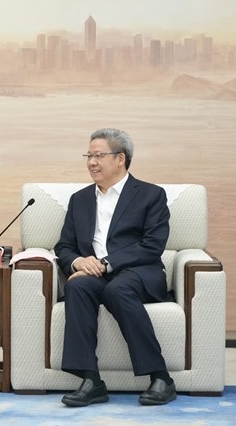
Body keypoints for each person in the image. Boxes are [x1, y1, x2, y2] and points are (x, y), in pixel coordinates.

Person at [55, 128, 176, 407]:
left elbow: (152, 245)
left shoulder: (151, 195)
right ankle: (91, 381)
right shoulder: (79, 199)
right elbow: (64, 246)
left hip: (139, 271)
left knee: (117, 290)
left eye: (98, 156)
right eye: (88, 156)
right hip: (94, 273)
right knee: (77, 286)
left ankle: (161, 377)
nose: (91, 162)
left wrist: (106, 263)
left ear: (120, 158)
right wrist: (78, 262)